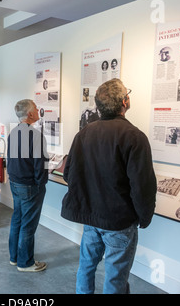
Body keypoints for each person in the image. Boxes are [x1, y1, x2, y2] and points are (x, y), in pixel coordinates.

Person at [61, 79, 157, 294]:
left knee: (86, 266)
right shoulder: (135, 137)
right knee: (115, 275)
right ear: (125, 101)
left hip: (90, 217)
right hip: (118, 220)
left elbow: (69, 173)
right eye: (127, 93)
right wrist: (145, 216)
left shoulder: (84, 133)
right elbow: (142, 186)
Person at [6, 99, 49, 272]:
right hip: (30, 186)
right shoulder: (36, 136)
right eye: (36, 108)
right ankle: (26, 263)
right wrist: (41, 184)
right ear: (30, 114)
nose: (38, 110)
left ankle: (14, 258)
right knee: (28, 225)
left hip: (15, 183)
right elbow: (40, 165)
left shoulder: (13, 133)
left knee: (17, 220)